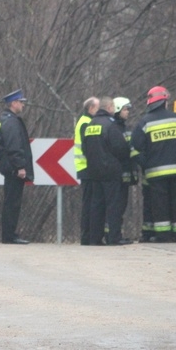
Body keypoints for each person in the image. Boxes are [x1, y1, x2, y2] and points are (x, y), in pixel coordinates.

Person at [131, 86, 176, 243]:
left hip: (155, 173)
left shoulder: (144, 123)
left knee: (160, 204)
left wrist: (146, 164)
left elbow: (135, 148)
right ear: (165, 101)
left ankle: (163, 235)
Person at [82, 97, 129, 245]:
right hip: (110, 170)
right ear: (109, 107)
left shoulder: (90, 124)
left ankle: (95, 238)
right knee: (113, 205)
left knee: (96, 205)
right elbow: (120, 147)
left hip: (93, 171)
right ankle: (114, 237)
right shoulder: (110, 124)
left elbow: (84, 148)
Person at [0, 89, 33, 244]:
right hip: (13, 168)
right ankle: (9, 235)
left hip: (9, 167)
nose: (22, 105)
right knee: (12, 202)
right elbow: (14, 146)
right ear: (14, 103)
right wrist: (20, 167)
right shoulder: (10, 122)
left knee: (11, 201)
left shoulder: (6, 119)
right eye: (21, 102)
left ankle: (9, 234)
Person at [74, 97, 100, 245]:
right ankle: (87, 236)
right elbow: (87, 147)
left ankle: (87, 236)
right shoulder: (86, 123)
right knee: (89, 203)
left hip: (85, 167)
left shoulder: (84, 121)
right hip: (86, 167)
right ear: (90, 109)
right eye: (97, 108)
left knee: (89, 202)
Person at [112, 97, 136, 245]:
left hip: (125, 174)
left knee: (121, 205)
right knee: (116, 205)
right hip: (117, 174)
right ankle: (114, 235)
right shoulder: (115, 129)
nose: (127, 112)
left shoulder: (124, 128)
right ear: (118, 110)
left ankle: (116, 234)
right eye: (125, 109)